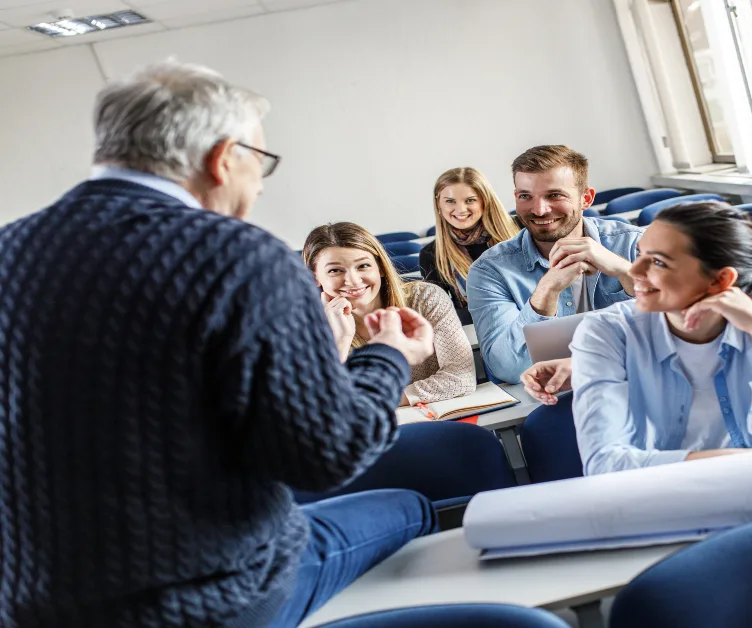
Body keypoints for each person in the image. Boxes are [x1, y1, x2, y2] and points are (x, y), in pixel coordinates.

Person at [0, 61, 437, 628]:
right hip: (203, 605)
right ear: (222, 159)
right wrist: (388, 358)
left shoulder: (10, 250)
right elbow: (327, 456)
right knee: (411, 506)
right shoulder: (242, 258)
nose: (256, 186)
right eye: (259, 165)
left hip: (31, 608)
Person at [570, 202, 752, 475]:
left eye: (657, 262)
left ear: (720, 280)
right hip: (664, 498)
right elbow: (604, 464)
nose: (634, 271)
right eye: (640, 254)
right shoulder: (606, 330)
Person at [468, 145, 643, 383]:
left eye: (554, 195)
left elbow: (684, 329)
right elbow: (507, 369)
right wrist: (545, 294)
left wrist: (626, 272)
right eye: (525, 196)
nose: (539, 210)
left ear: (586, 199)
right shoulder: (489, 271)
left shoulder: (633, 243)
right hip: (558, 401)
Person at [305, 222, 476, 405]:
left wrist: (374, 400)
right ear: (314, 277)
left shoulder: (425, 298)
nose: (353, 280)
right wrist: (341, 340)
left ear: (380, 267)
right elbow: (322, 403)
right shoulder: (308, 328)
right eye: (335, 270)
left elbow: (461, 377)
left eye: (362, 266)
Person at [419, 167, 520, 323]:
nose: (460, 209)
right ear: (438, 204)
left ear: (485, 200)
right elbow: (441, 316)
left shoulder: (520, 227)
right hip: (479, 331)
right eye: (450, 201)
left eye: (470, 200)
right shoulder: (431, 253)